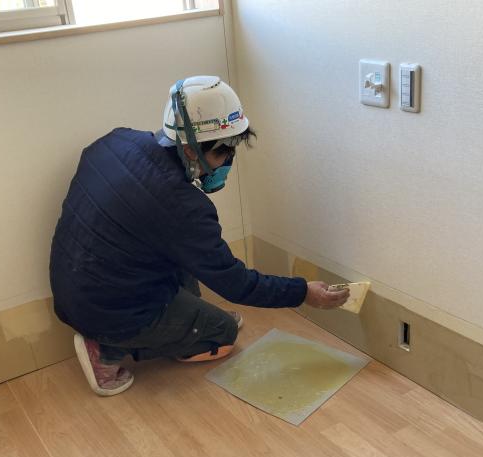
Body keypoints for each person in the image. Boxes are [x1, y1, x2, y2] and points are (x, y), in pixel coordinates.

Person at [49, 76, 349, 396]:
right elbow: (236, 284)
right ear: (191, 150)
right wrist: (303, 292)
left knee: (187, 253)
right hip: (106, 311)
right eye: (224, 154)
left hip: (76, 286)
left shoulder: (116, 141)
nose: (228, 163)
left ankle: (184, 321)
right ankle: (105, 349)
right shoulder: (182, 206)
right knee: (223, 333)